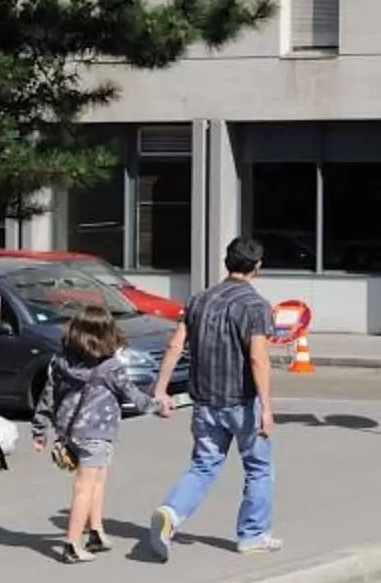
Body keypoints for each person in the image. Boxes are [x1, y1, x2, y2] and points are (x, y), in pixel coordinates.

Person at [147, 235, 281, 558]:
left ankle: (171, 513)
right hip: (242, 402)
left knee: (203, 466)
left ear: (227, 262)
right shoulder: (256, 306)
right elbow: (258, 359)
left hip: (205, 402)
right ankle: (253, 535)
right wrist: (266, 408)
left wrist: (161, 389)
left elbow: (175, 345)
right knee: (259, 468)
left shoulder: (199, 300)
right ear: (258, 266)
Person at [32, 299, 148, 563]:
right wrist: (160, 405)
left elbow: (47, 396)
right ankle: (72, 544)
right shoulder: (111, 368)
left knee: (96, 480)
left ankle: (96, 531)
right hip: (97, 432)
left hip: (70, 430)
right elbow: (133, 394)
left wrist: (40, 429)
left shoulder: (60, 362)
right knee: (86, 486)